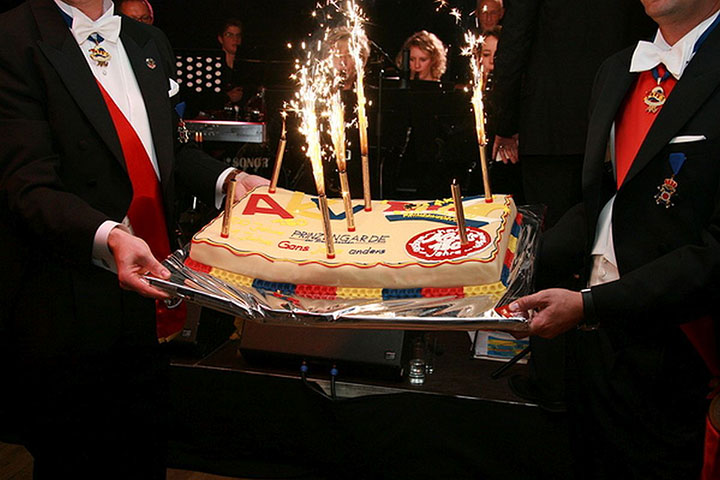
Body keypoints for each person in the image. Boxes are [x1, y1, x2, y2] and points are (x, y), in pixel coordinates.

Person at [0, 0, 267, 477]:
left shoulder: (148, 40)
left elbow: (170, 148)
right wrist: (109, 237)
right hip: (70, 298)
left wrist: (229, 181)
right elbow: (27, 183)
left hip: (150, 292)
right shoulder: (13, 37)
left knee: (143, 451)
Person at [509, 0, 720, 477]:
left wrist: (590, 305)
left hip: (683, 354)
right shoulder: (615, 70)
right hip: (595, 345)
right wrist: (512, 263)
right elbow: (604, 201)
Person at [489, 0, 654, 413]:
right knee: (611, 243)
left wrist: (503, 121)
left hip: (550, 120)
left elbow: (516, 40)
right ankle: (599, 374)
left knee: (546, 254)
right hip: (624, 113)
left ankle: (550, 381)